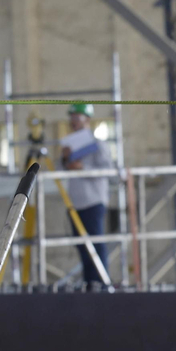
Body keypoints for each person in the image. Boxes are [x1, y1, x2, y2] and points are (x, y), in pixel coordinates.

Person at [60, 104, 114, 285]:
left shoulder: (97, 144)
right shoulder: (69, 145)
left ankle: (101, 282)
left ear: (87, 120)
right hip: (76, 203)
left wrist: (83, 167)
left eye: (77, 118)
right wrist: (65, 158)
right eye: (72, 118)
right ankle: (90, 283)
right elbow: (62, 169)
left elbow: (108, 170)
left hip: (93, 201)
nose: (73, 122)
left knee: (95, 244)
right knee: (82, 246)